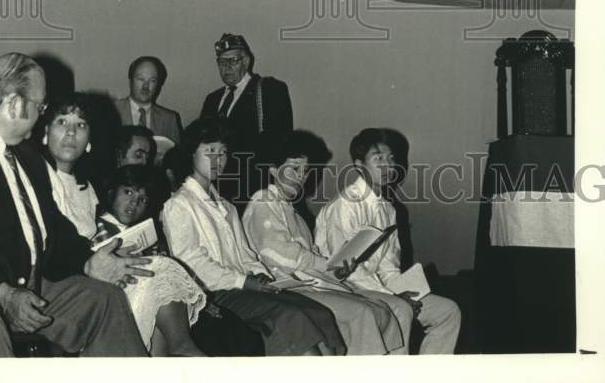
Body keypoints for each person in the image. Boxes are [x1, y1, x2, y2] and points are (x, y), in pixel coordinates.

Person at [0, 53, 151, 358]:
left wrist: (89, 261)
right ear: (15, 105)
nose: (42, 115)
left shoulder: (26, 153)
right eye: (41, 107)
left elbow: (51, 226)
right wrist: (1, 292)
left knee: (103, 299)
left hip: (28, 285)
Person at [162, 118, 347, 357]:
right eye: (210, 151)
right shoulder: (180, 204)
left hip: (243, 287)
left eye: (223, 152)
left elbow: (246, 255)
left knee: (319, 313)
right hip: (214, 294)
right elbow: (189, 264)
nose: (218, 159)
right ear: (191, 153)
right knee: (291, 317)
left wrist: (259, 274)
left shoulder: (226, 207)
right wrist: (243, 281)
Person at [243, 130, 406, 355]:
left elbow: (313, 259)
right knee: (363, 312)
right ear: (273, 170)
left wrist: (337, 270)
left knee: (380, 309)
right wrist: (328, 266)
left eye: (305, 170)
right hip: (284, 289)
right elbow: (281, 254)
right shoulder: (263, 201)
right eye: (294, 169)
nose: (301, 176)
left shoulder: (294, 213)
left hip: (309, 284)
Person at [315, 128, 461, 355]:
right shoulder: (345, 205)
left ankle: (429, 372)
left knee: (447, 311)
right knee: (400, 309)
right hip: (345, 289)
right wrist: (392, 296)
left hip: (378, 288)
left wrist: (403, 288)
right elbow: (344, 269)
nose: (388, 166)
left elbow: (388, 265)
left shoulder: (388, 209)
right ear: (359, 164)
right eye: (379, 159)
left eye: (391, 159)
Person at [93, 166, 205, 355]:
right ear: (112, 193)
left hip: (143, 298)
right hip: (113, 298)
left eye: (142, 200)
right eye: (128, 192)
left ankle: (175, 350)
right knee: (160, 272)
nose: (134, 203)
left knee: (161, 293)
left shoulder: (144, 233)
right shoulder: (97, 227)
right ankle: (182, 346)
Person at [200, 33, 293, 206]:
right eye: (222, 62)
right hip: (216, 190)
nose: (227, 67)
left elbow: (280, 141)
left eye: (234, 60)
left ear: (246, 61)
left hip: (253, 189)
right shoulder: (212, 99)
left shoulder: (268, 89)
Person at [42, 95, 100, 238]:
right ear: (46, 131)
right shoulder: (36, 179)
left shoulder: (86, 187)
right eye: (62, 122)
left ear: (89, 140)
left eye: (81, 125)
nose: (71, 132)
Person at [114, 56, 182, 143]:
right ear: (130, 81)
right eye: (140, 79)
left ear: (158, 85)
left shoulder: (169, 120)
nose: (145, 86)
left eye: (152, 80)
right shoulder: (110, 111)